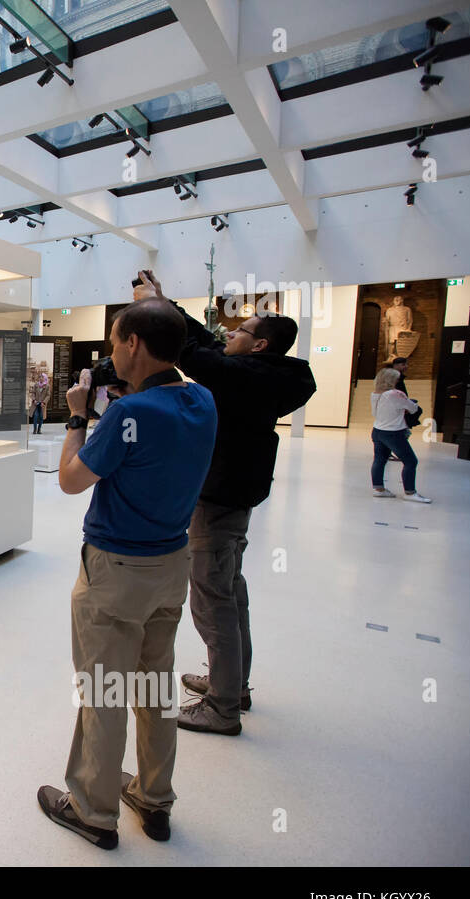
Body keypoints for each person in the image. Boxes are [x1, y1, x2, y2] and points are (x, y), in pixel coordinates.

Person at [38, 297, 217, 850]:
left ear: (133, 344)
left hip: (116, 571)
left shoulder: (127, 414)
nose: (112, 349)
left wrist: (75, 414)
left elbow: (71, 479)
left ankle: (93, 810)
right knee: (155, 684)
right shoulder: (202, 400)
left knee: (103, 689)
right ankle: (155, 798)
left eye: (116, 339)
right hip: (171, 566)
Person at [137, 271, 317, 736]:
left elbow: (196, 354)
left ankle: (222, 706)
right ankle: (232, 685)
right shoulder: (262, 373)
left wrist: (159, 309)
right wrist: (166, 301)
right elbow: (206, 347)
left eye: (240, 331)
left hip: (220, 501)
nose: (230, 333)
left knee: (213, 598)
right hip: (232, 497)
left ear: (258, 346)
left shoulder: (246, 378)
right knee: (230, 592)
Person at [370, 366, 431, 504]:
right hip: (393, 432)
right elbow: (413, 408)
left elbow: (375, 413)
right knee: (410, 461)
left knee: (379, 459)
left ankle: (378, 489)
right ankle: (410, 492)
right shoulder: (395, 394)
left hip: (378, 430)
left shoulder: (375, 394)